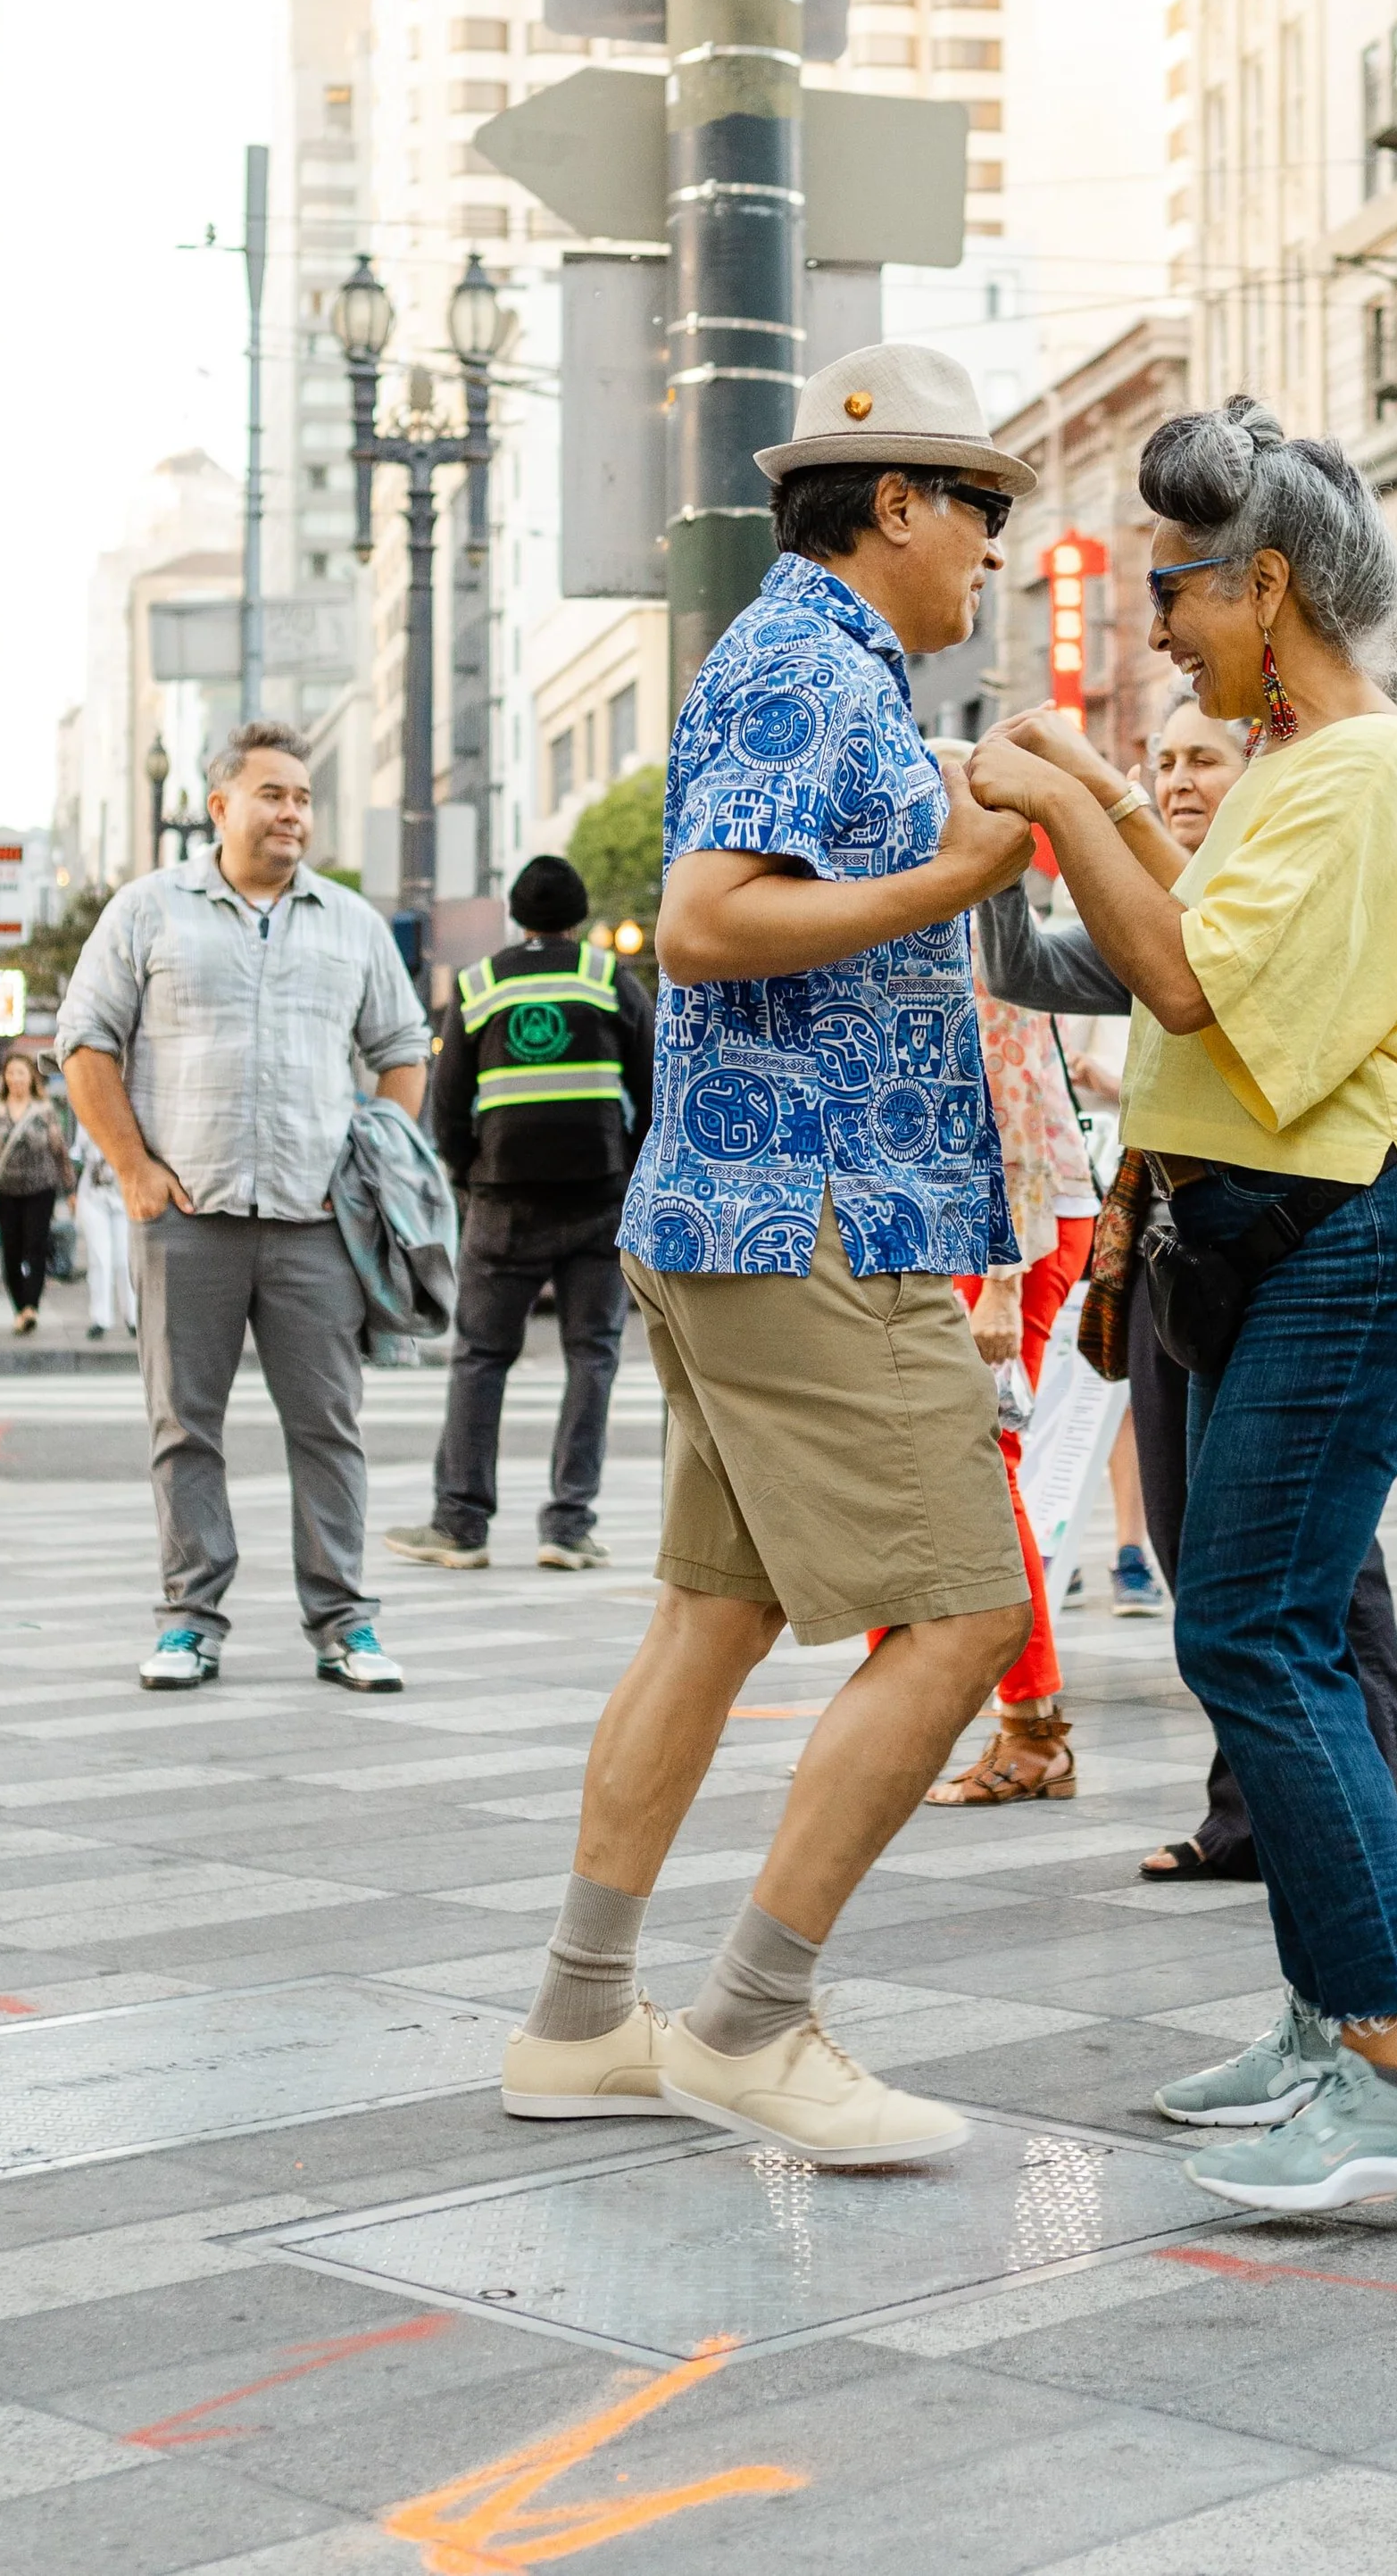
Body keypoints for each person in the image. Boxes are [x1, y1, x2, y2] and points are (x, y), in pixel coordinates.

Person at [969, 394, 1397, 2213]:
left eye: (1175, 595)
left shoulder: (1363, 768)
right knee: (1261, 1623)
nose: (1157, 630)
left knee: (1257, 1632)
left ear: (1264, 587)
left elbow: (1181, 978)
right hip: (1320, 1226)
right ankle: (1322, 2019)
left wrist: (1050, 794)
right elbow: (1182, 913)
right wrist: (1096, 797)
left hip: (1366, 1224)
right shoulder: (1302, 767)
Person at [499, 344, 1041, 2167]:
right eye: (980, 509)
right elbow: (713, 923)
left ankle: (581, 2019)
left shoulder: (833, 674)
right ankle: (748, 2021)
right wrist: (950, 878)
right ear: (893, 504)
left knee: (711, 1618)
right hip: (807, 1215)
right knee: (963, 1615)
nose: (992, 550)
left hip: (747, 1214)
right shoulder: (807, 660)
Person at [982, 690, 1397, 1903]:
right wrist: (998, 831)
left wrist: (1093, 793)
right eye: (1162, 760)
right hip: (1175, 1251)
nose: (1178, 777)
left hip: (1295, 1248)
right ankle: (1274, 1817)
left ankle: (1372, 1826)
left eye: (1203, 758)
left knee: (1305, 1572)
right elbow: (1024, 963)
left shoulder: (1269, 892)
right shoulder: (1153, 908)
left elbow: (1202, 953)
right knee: (1218, 1562)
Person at [55, 719, 434, 1696]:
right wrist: (135, 1169)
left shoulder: (349, 922)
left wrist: (374, 1163)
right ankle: (189, 1620)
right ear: (218, 805)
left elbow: (402, 1048)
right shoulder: (148, 911)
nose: (292, 813)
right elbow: (85, 1041)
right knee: (185, 1426)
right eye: (273, 795)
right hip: (188, 1220)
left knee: (329, 1428)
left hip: (318, 1226)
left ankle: (345, 1622)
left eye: (303, 798)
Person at [389, 852, 655, 1572]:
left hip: (503, 1203)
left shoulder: (478, 984)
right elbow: (654, 1085)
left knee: (480, 1357)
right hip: (599, 1199)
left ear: (517, 917)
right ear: (579, 917)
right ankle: (567, 1528)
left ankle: (460, 1525)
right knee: (592, 1357)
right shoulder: (608, 979)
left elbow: (446, 1104)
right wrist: (628, 1167)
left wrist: (469, 1175)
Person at [911, 938, 1095, 1804]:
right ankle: (903, 1723)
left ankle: (1033, 1730)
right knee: (908, 1470)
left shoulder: (966, 911)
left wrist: (1001, 1281)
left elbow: (1012, 1100)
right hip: (948, 1223)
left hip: (1008, 1229)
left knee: (983, 1470)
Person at [0, 1052, 73, 1337]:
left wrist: (70, 1188)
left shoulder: (44, 1110)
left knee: (35, 1246)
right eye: (10, 1073)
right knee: (11, 1251)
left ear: (31, 1078)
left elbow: (59, 1151)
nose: (15, 1079)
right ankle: (20, 1308)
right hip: (6, 1191)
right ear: (4, 1078)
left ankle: (32, 1308)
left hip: (41, 1189)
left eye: (21, 1073)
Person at [74, 1130, 137, 1342]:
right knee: (100, 1257)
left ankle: (133, 1317)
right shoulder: (88, 1108)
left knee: (125, 1259)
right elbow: (78, 1152)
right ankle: (101, 1318)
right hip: (94, 1195)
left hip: (125, 1196)